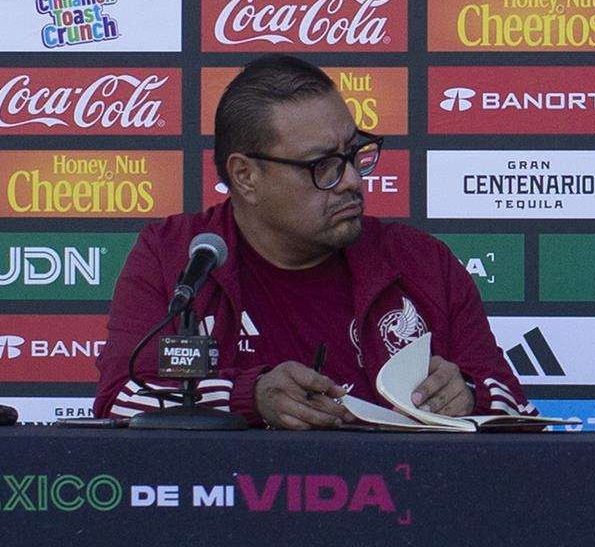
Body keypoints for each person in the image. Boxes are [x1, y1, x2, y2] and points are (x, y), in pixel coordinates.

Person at [95, 54, 530, 429]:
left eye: (354, 154)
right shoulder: (177, 256)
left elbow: (521, 412)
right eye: (323, 165)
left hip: (397, 512)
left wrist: (471, 397)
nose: (352, 181)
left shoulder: (421, 261)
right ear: (246, 176)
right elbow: (118, 402)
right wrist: (252, 397)